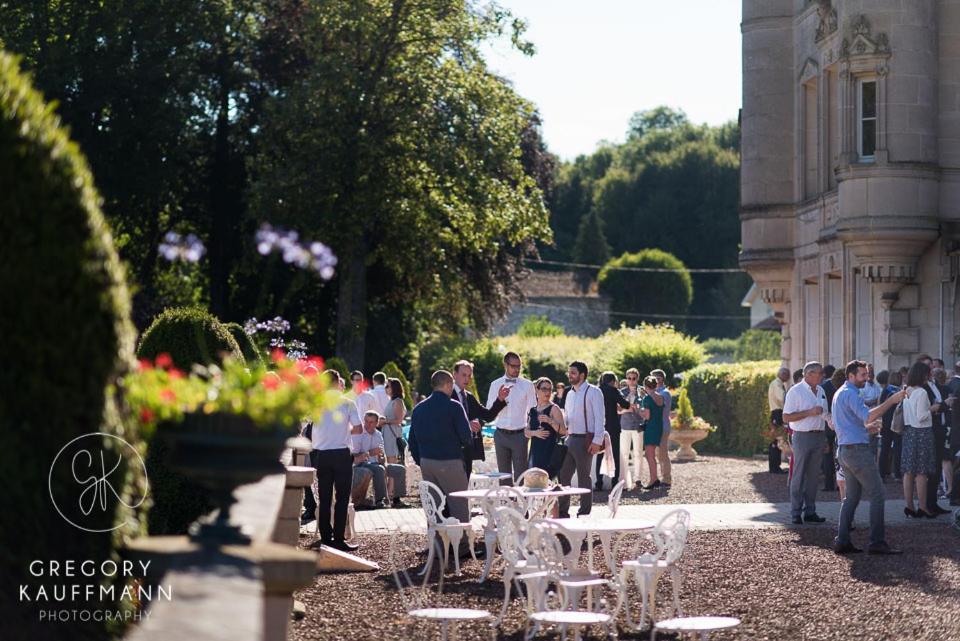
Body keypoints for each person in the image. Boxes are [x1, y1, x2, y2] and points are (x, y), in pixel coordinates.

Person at [831, 360, 906, 555]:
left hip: (846, 450)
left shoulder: (841, 393)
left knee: (852, 497)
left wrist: (866, 429)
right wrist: (891, 401)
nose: (867, 378)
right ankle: (876, 542)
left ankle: (842, 540)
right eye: (862, 375)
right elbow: (867, 415)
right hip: (857, 451)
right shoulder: (851, 394)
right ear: (851, 376)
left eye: (867, 374)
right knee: (878, 493)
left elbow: (849, 422)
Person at [409, 370, 473, 524]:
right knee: (459, 505)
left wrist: (421, 460)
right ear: (448, 384)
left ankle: (437, 544)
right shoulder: (454, 407)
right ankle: (462, 546)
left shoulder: (419, 408)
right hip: (450, 461)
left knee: (434, 507)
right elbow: (467, 438)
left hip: (427, 462)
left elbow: (412, 440)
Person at [310, 370, 361, 551]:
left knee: (324, 498)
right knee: (341, 498)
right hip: (341, 453)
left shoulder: (315, 403)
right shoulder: (347, 403)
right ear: (338, 382)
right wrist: (345, 432)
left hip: (322, 453)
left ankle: (325, 538)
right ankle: (338, 538)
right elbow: (359, 428)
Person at [556, 361, 606, 518]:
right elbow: (568, 417)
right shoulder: (569, 394)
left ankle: (584, 513)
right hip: (570, 439)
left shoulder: (594, 392)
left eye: (573, 373)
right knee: (563, 476)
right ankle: (563, 512)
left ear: (582, 375)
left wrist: (597, 441)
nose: (569, 375)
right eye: (569, 372)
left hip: (585, 439)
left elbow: (600, 418)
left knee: (584, 478)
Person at [782, 362, 828, 525]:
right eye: (820, 373)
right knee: (799, 475)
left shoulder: (821, 391)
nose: (822, 375)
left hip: (818, 436)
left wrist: (826, 438)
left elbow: (824, 415)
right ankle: (795, 512)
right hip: (802, 437)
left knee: (814, 477)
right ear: (809, 374)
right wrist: (809, 412)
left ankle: (810, 511)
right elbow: (786, 417)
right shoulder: (795, 391)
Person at [485, 351, 537, 482]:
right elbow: (489, 411)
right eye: (513, 366)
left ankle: (521, 502)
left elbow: (533, 411)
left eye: (519, 366)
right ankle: (506, 502)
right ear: (505, 365)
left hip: (520, 435)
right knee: (503, 476)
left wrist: (529, 431)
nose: (517, 369)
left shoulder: (527, 385)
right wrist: (500, 399)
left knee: (521, 475)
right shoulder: (495, 384)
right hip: (500, 434)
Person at [452, 359, 509, 474]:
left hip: (468, 451)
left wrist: (500, 399)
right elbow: (444, 422)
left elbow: (488, 416)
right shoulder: (447, 395)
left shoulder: (469, 397)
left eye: (469, 376)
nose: (467, 379)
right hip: (452, 451)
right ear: (455, 374)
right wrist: (467, 424)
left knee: (464, 488)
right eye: (464, 375)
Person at [902, 361, 938, 518]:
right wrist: (934, 408)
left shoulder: (906, 390)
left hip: (909, 432)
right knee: (922, 472)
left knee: (908, 471)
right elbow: (921, 416)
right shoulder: (922, 392)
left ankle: (909, 506)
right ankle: (922, 507)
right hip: (922, 433)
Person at [353, 410, 407, 508]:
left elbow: (381, 454)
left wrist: (382, 460)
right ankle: (380, 500)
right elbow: (355, 455)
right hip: (361, 463)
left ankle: (397, 499)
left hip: (375, 463)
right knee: (379, 469)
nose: (367, 425)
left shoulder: (378, 434)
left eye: (371, 422)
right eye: (366, 421)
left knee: (399, 469)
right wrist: (370, 453)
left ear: (377, 423)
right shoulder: (358, 434)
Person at [596, 371, 631, 489]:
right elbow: (625, 404)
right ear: (612, 381)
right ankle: (614, 482)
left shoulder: (596, 390)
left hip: (599, 426)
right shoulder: (613, 390)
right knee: (614, 453)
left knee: (599, 453)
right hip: (613, 426)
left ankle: (599, 482)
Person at [923, 364, 951, 515]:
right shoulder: (923, 389)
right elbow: (927, 409)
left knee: (937, 467)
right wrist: (943, 405)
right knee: (932, 468)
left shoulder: (934, 386)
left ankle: (932, 502)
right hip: (931, 429)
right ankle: (928, 503)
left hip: (939, 427)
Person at [526, 377, 567, 473]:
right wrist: (535, 433)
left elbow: (563, 431)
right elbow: (526, 432)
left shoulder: (554, 408)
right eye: (544, 389)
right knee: (534, 480)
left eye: (549, 389)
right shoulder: (533, 410)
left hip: (549, 451)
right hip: (535, 451)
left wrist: (550, 421)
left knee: (545, 480)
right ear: (537, 390)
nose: (547, 392)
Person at [619, 368, 645, 490]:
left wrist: (639, 408)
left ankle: (638, 479)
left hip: (638, 426)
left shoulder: (642, 391)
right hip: (625, 425)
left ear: (637, 379)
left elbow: (645, 408)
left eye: (634, 378)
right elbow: (617, 410)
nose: (631, 381)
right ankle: (624, 480)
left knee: (638, 453)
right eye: (629, 378)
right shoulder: (622, 392)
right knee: (624, 453)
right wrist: (628, 409)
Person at [638, 375, 666, 490]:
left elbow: (647, 416)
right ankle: (655, 478)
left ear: (645, 386)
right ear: (656, 385)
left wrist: (639, 410)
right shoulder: (661, 397)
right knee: (652, 454)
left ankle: (653, 479)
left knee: (649, 455)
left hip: (650, 428)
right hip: (659, 427)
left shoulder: (647, 399)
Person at [878, 370, 902, 481]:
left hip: (886, 423)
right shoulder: (900, 391)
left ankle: (881, 474)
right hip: (897, 423)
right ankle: (897, 473)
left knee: (885, 449)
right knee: (898, 449)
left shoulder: (886, 390)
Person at [650, 369, 673, 487]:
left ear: (661, 379)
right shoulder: (655, 391)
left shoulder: (665, 393)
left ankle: (667, 479)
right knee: (656, 454)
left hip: (662, 426)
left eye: (655, 378)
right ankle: (660, 477)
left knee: (663, 454)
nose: (652, 380)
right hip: (655, 426)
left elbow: (659, 407)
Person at [768, 367, 791, 474]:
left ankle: (774, 466)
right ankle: (774, 467)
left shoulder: (777, 383)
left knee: (776, 440)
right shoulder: (777, 384)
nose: (789, 377)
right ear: (783, 374)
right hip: (777, 413)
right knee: (777, 440)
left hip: (777, 413)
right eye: (788, 374)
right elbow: (782, 397)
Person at [381, 378, 407, 464]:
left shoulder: (398, 401)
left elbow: (398, 420)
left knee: (392, 460)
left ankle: (394, 477)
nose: (385, 388)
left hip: (393, 433)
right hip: (388, 432)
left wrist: (385, 421)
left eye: (388, 386)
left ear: (394, 388)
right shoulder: (391, 401)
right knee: (389, 459)